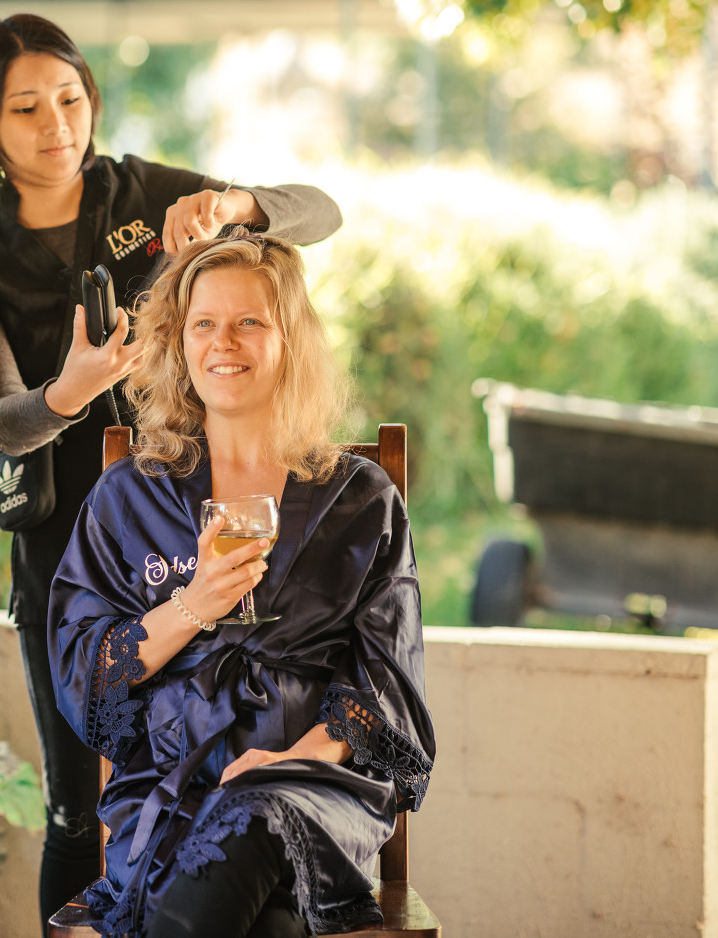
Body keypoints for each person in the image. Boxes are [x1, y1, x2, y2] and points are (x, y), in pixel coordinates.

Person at [0, 12, 344, 930]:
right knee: (77, 807)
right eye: (26, 109)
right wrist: (71, 391)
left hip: (190, 531)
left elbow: (322, 211)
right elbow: (3, 419)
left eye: (71, 98)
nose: (57, 125)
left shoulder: (144, 195)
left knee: (208, 780)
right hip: (64, 554)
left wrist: (234, 207)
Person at [49, 232, 434, 937]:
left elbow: (388, 683)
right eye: (204, 322)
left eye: (249, 321)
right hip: (171, 786)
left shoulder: (360, 499)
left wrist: (285, 761)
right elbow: (83, 673)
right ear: (180, 342)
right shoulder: (130, 496)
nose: (223, 342)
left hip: (314, 785)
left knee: (257, 818)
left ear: (290, 339)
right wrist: (194, 605)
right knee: (271, 921)